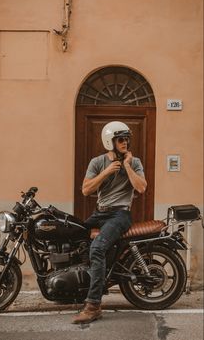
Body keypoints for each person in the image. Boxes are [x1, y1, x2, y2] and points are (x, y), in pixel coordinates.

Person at [72, 121, 147, 324]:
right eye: (121, 139)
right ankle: (79, 285)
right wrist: (106, 172)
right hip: (99, 213)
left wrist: (127, 166)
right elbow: (86, 190)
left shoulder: (135, 162)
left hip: (120, 215)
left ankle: (94, 305)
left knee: (97, 249)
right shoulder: (97, 162)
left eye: (127, 139)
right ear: (110, 141)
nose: (126, 142)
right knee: (72, 236)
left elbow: (141, 188)